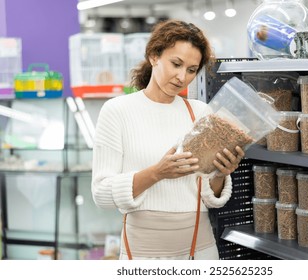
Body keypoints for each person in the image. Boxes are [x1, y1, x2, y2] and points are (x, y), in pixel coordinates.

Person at [91, 19, 245, 260]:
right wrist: (157, 173)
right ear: (154, 56)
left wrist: (222, 173)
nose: (182, 77)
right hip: (143, 254)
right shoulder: (117, 111)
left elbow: (208, 194)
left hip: (200, 251)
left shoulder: (200, 113)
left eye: (191, 70)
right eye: (176, 64)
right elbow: (101, 192)